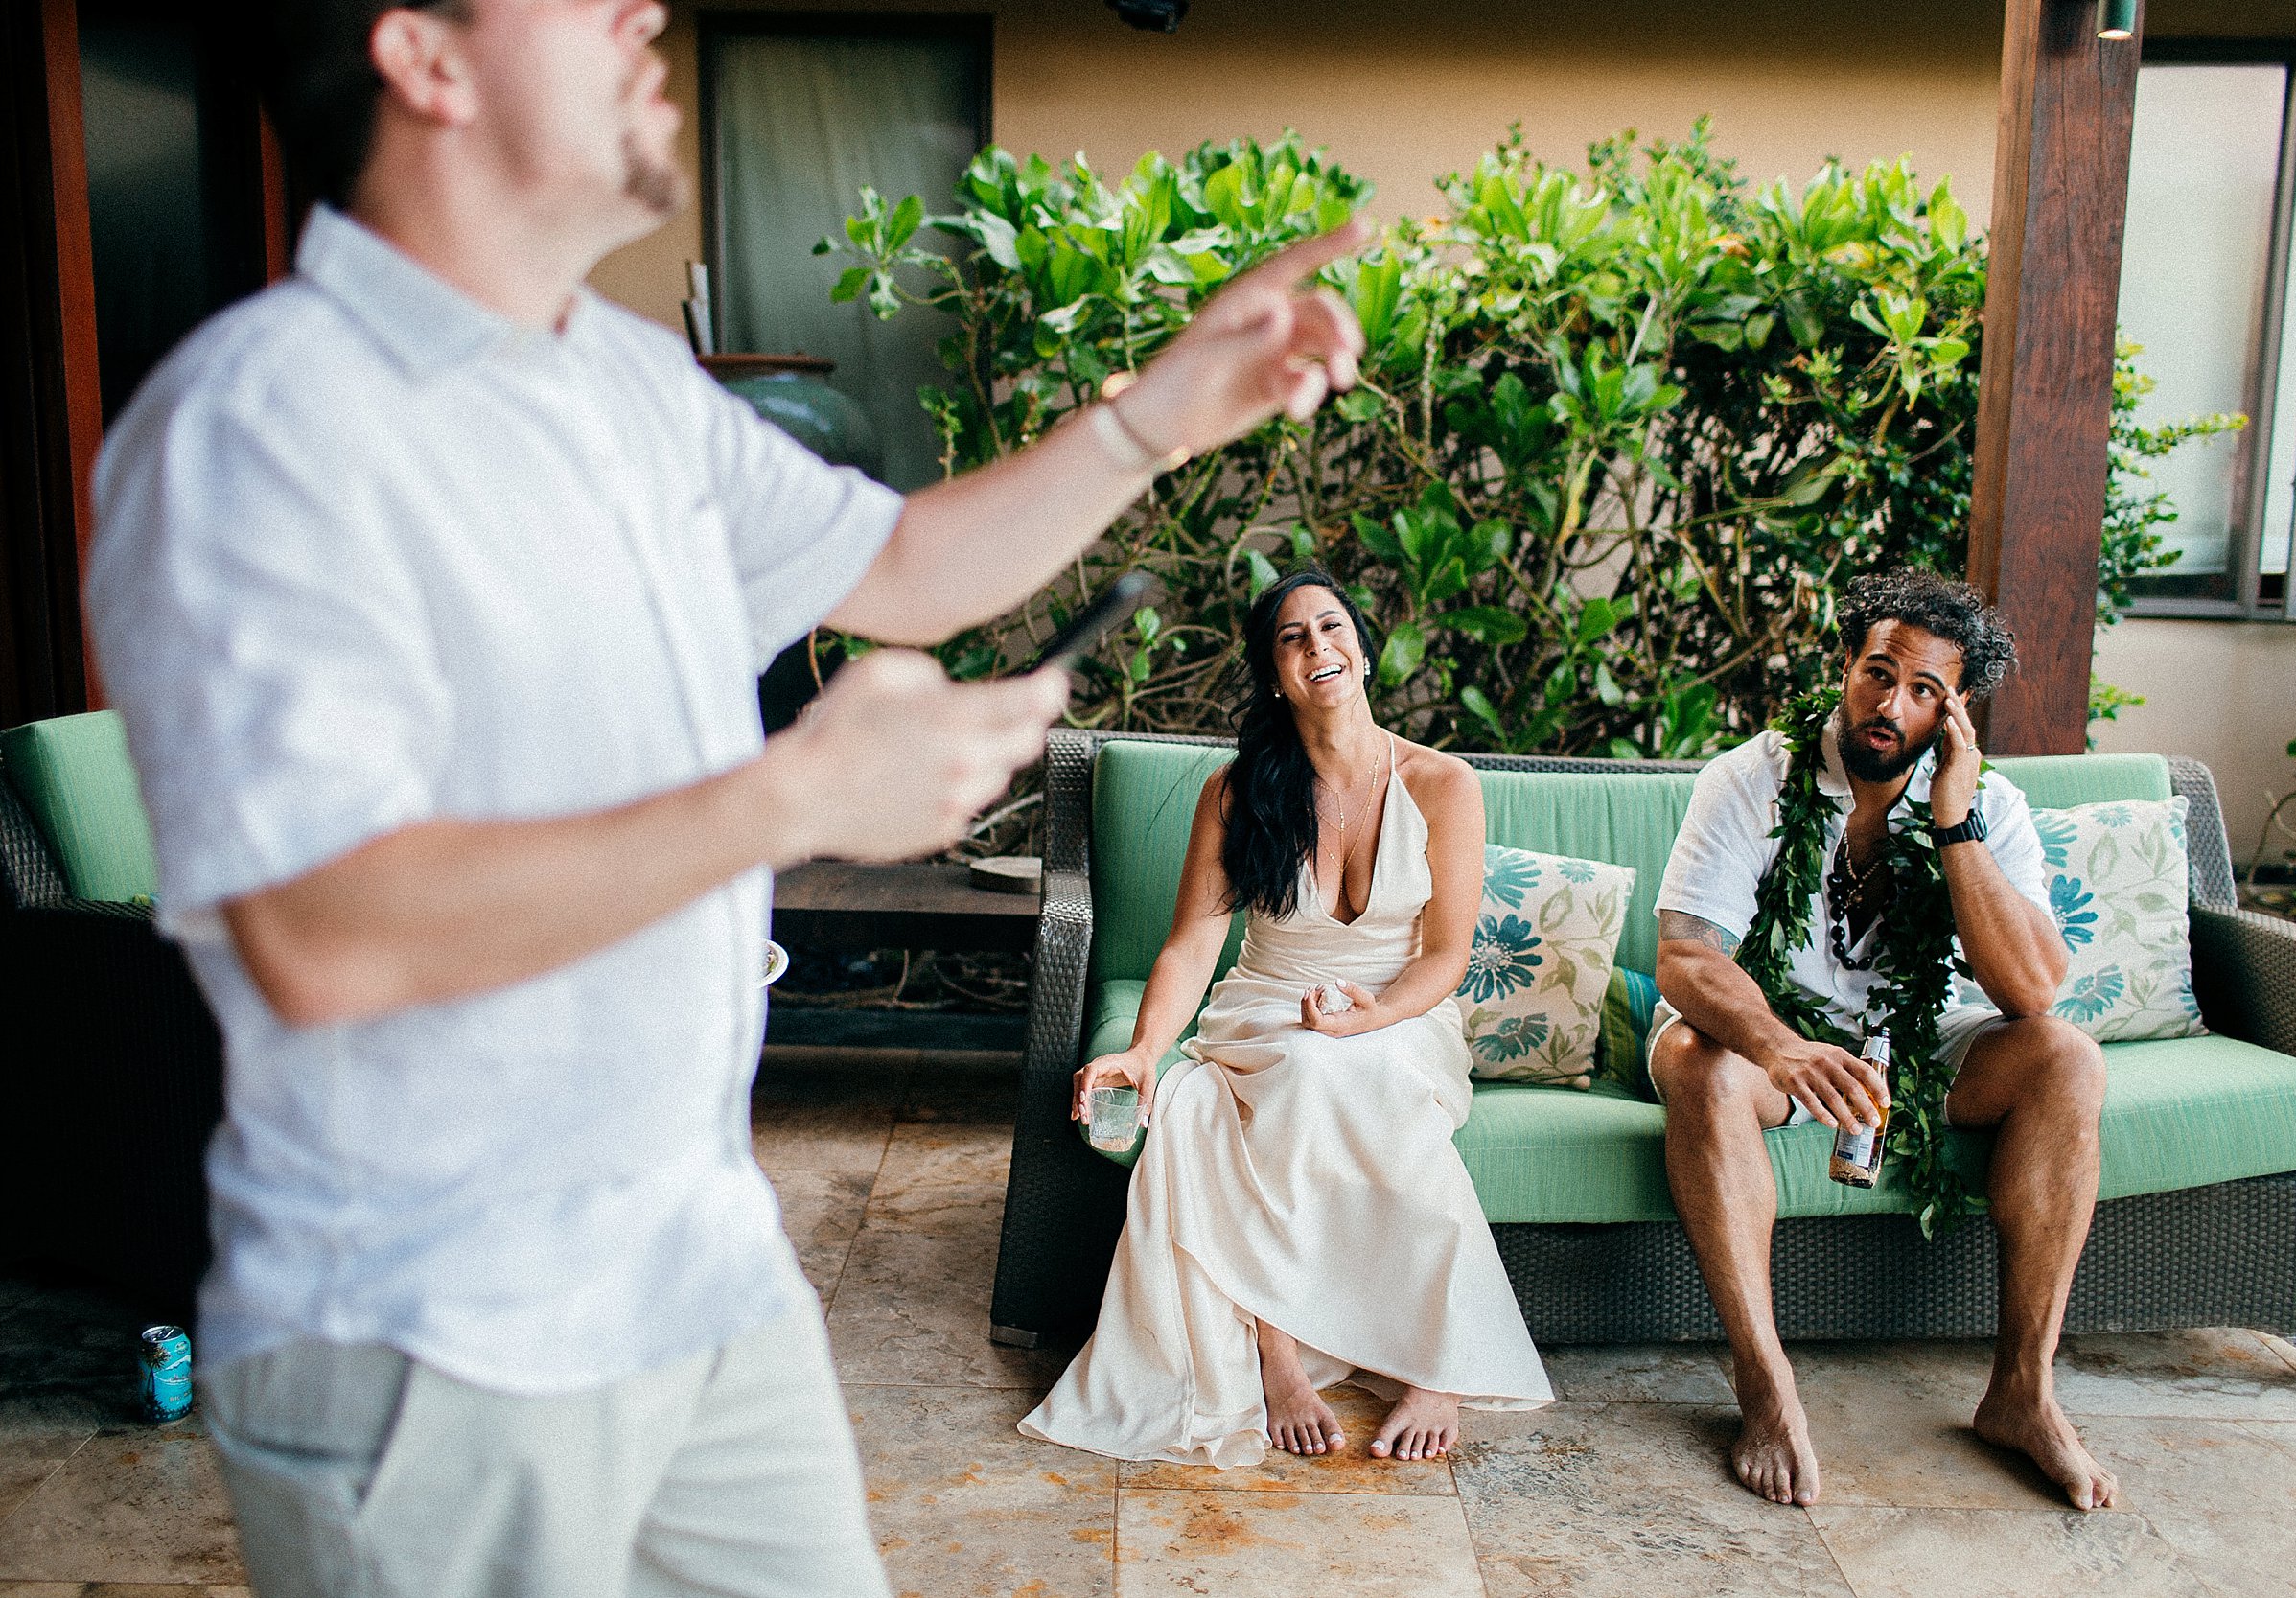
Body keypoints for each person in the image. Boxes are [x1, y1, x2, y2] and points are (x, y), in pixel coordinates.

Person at [81, 3, 1365, 1594]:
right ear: (424, 58)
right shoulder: (258, 430)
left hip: (700, 1269)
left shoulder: (626, 379)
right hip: (432, 1336)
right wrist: (792, 796)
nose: (642, 13)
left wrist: (1155, 416)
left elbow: (901, 565)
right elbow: (324, 932)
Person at [1020, 569, 1553, 1469]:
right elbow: (1194, 941)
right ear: (1274, 675)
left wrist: (1373, 1014)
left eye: (1331, 627)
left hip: (1400, 1007)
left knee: (1354, 1069)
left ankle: (1436, 1365)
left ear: (1364, 649)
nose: (1318, 648)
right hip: (1269, 1001)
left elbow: (1446, 956)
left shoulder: (1443, 784)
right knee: (1288, 1074)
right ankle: (1275, 1351)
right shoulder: (1239, 791)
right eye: (1292, 639)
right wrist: (1146, 1049)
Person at [1647, 569, 2115, 1512]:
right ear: (1844, 664)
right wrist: (1779, 1047)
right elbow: (1685, 961)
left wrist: (1953, 821)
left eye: (1923, 690)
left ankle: (2023, 1390)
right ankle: (1763, 1380)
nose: (1889, 704)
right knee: (1694, 1057)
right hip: (1771, 1035)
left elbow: (2028, 990)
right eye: (1877, 672)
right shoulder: (1751, 777)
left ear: (1956, 710)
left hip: (1920, 1041)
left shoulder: (1989, 809)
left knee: (2067, 1055)